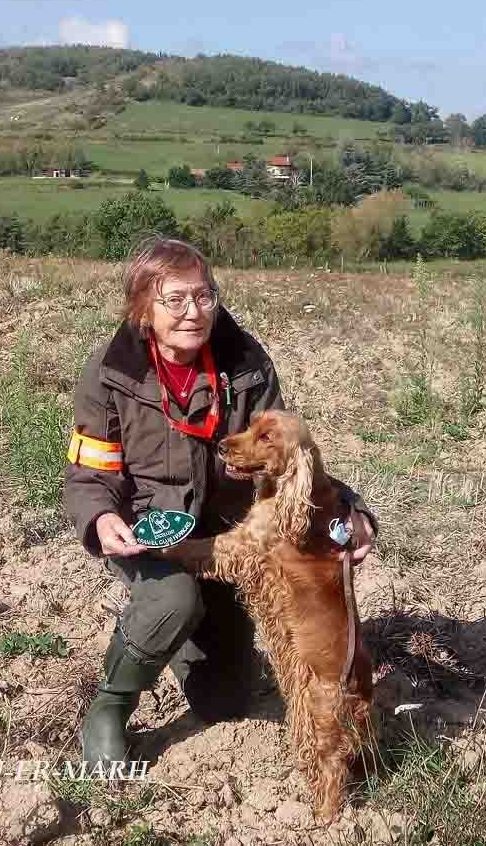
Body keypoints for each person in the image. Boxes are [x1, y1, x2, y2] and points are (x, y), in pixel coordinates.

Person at [64, 236, 377, 769]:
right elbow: (90, 470)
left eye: (205, 296)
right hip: (153, 534)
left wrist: (350, 510)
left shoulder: (245, 361)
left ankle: (192, 638)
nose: (195, 312)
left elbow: (289, 450)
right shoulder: (110, 373)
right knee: (174, 601)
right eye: (175, 299)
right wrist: (102, 517)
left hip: (231, 537)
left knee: (225, 702)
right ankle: (111, 707)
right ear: (142, 306)